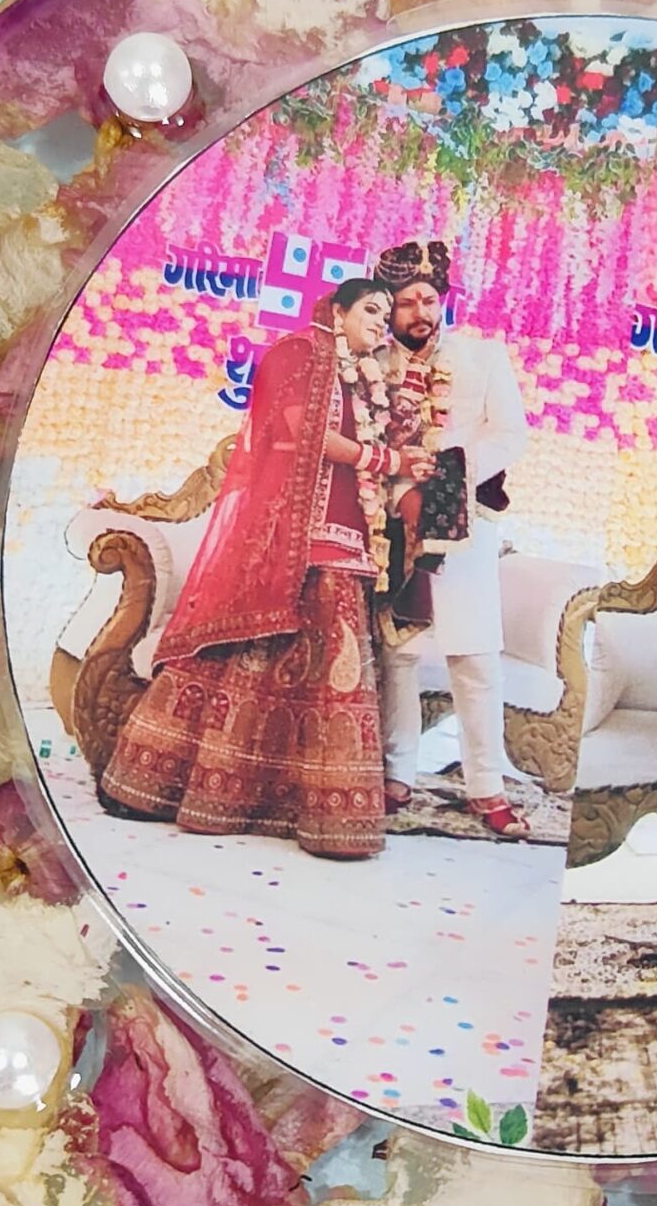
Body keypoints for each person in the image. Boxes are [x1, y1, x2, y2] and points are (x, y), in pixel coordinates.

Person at [99, 277, 420, 861]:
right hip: (288, 536)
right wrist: (389, 458)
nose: (381, 321)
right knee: (244, 661)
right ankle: (184, 788)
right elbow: (303, 433)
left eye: (386, 313)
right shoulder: (297, 352)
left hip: (345, 538)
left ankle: (315, 811)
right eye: (371, 310)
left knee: (333, 674)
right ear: (338, 310)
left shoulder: (362, 378)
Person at [371, 239, 534, 838]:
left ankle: (486, 786)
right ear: (388, 306)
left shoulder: (482, 357)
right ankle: (396, 774)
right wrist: (402, 486)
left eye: (429, 300)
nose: (421, 313)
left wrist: (447, 477)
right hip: (391, 518)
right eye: (407, 302)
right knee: (398, 651)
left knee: (475, 654)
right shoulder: (371, 361)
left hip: (465, 521)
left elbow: (511, 435)